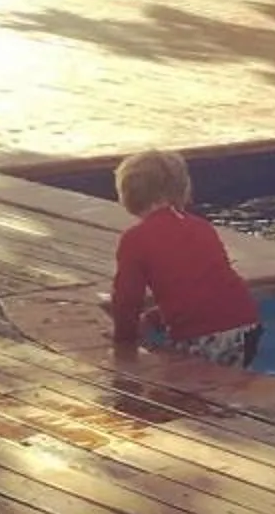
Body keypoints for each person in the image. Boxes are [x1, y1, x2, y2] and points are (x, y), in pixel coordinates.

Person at [105, 150, 261, 366]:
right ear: (183, 189)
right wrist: (153, 319)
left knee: (175, 390)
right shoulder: (201, 226)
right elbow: (203, 287)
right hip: (246, 324)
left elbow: (127, 301)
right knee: (225, 384)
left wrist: (123, 341)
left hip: (202, 334)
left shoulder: (135, 239)